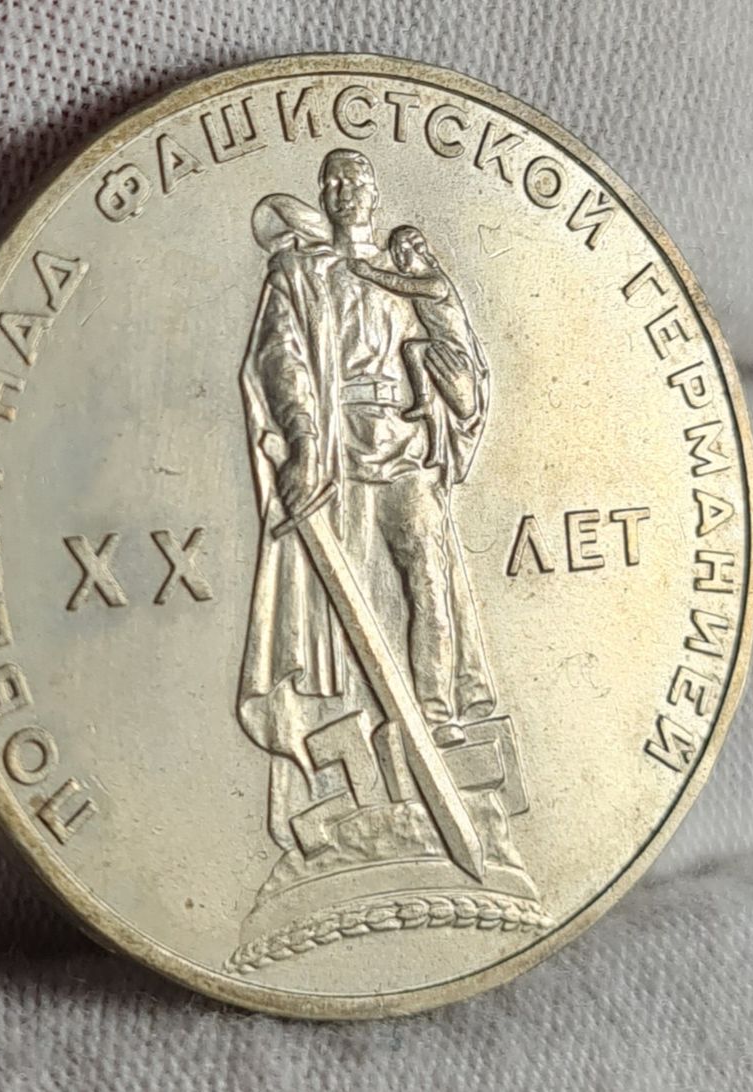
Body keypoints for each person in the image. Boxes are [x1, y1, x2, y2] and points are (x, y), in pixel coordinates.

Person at [238, 148, 497, 847]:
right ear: (322, 195)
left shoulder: (408, 274)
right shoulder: (299, 273)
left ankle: (434, 715)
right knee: (344, 611)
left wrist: (447, 389)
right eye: (334, 181)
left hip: (406, 444)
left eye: (358, 180)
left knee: (429, 579)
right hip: (339, 450)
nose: (346, 189)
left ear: (376, 195)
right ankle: (352, 763)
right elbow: (280, 359)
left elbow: (461, 353)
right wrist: (303, 440)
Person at [349, 224, 480, 466]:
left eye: (403, 250)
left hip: (453, 354)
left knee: (414, 350)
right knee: (432, 393)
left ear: (419, 249)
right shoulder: (426, 280)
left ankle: (423, 401)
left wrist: (369, 273)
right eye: (395, 252)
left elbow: (404, 287)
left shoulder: (436, 284)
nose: (398, 257)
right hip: (439, 348)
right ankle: (436, 447)